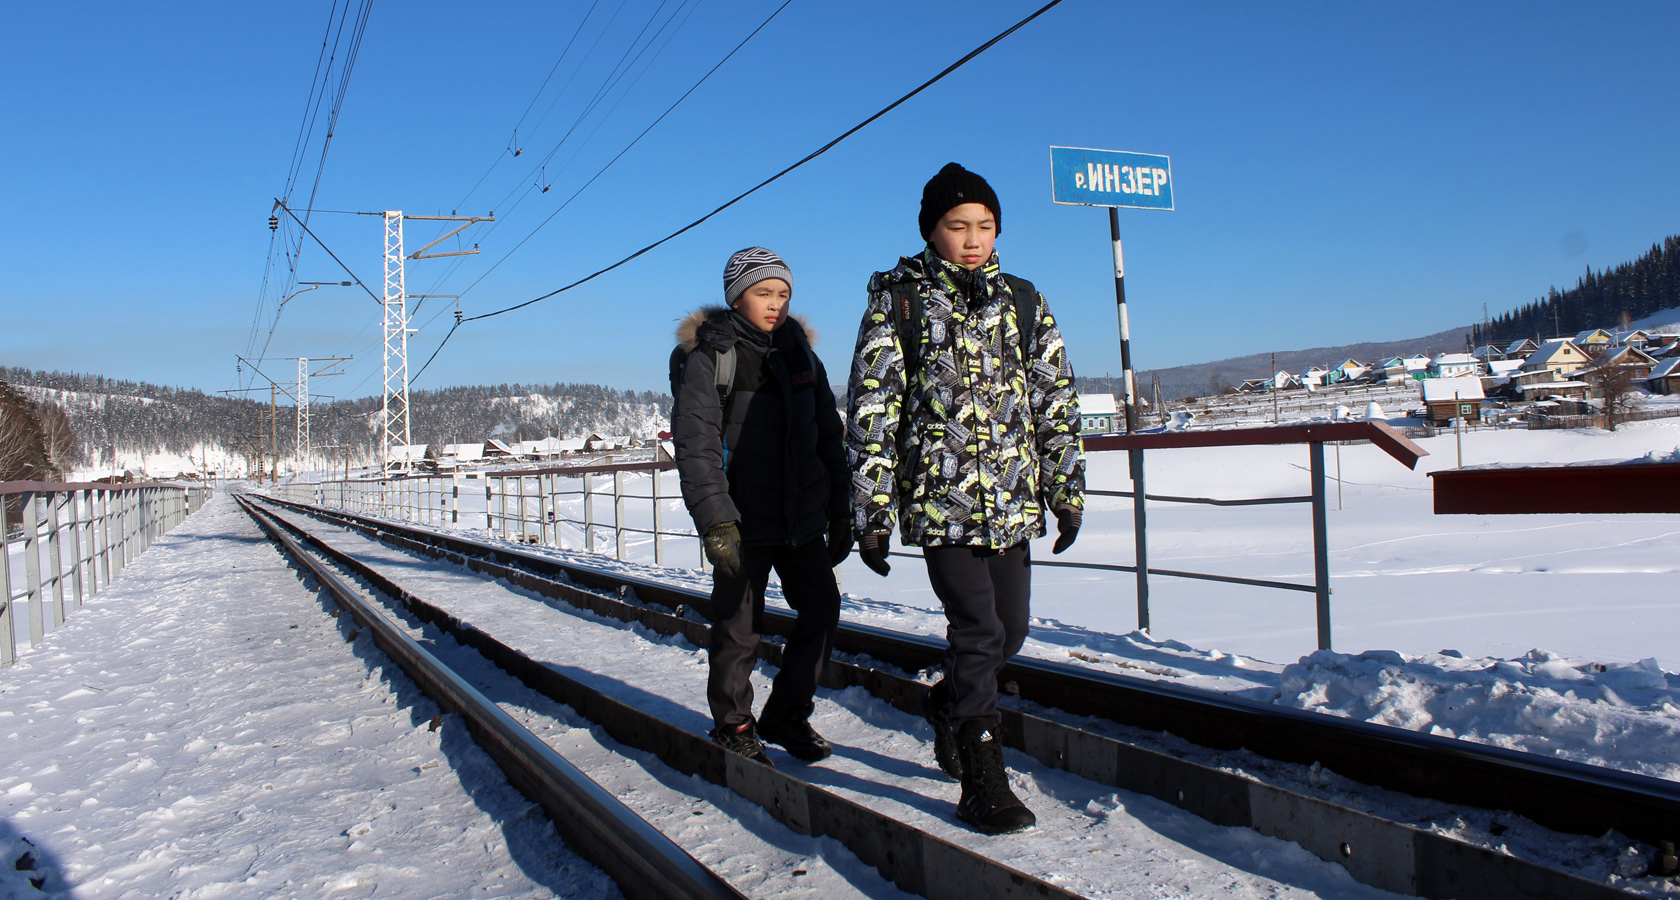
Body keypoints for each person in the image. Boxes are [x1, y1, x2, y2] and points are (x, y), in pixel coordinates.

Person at [845, 163, 1085, 834]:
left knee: (1012, 630)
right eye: (957, 226)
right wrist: (871, 515)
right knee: (977, 634)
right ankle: (983, 782)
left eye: (984, 225)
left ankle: (948, 703)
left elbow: (1054, 400)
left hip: (1011, 503)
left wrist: (1064, 489)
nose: (973, 238)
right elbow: (874, 410)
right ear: (931, 231)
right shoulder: (901, 301)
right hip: (941, 502)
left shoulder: (1025, 300)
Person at [671, 247, 853, 766]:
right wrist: (716, 520)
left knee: (821, 609)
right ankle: (733, 724)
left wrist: (840, 508)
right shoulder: (711, 356)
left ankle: (787, 713)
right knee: (738, 627)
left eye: (783, 294)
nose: (775, 303)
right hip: (741, 518)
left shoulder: (801, 357)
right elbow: (697, 444)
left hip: (800, 518)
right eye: (763, 293)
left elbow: (828, 437)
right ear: (736, 297)